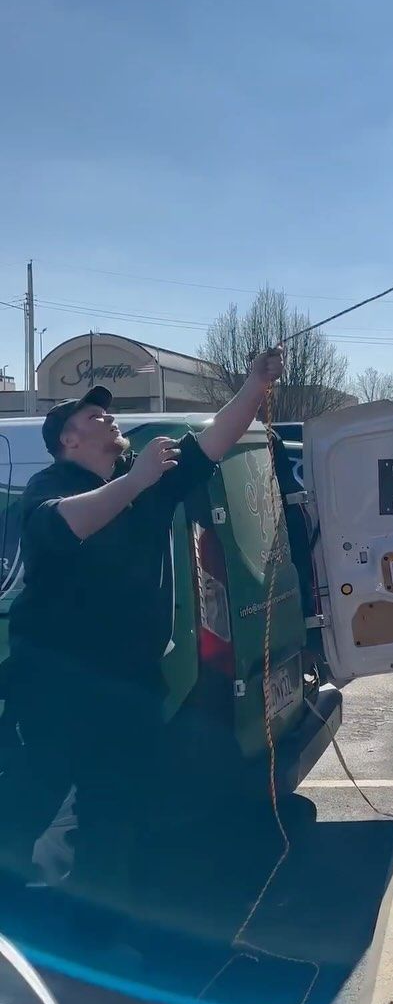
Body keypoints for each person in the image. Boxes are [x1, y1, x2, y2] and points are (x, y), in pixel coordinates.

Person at [0, 349, 283, 943]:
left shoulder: (147, 486)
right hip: (55, 689)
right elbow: (62, 526)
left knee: (114, 813)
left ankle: (99, 936)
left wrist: (255, 387)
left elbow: (212, 445)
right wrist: (136, 479)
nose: (110, 421)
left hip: (127, 684)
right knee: (27, 806)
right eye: (94, 418)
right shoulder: (52, 487)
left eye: (109, 416)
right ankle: (15, 930)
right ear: (68, 442)